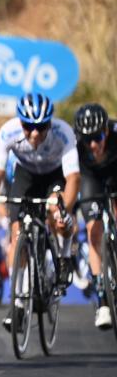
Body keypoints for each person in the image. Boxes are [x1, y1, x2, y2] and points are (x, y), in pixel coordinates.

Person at [0, 93, 79, 332]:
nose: (35, 133)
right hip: (26, 175)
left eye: (41, 126)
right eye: (29, 127)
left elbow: (73, 178)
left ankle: (63, 257)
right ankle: (17, 302)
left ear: (50, 123)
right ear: (21, 123)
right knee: (16, 234)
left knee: (56, 212)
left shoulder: (64, 133)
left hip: (55, 175)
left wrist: (65, 211)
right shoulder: (8, 132)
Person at [73, 103, 117, 330]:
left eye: (98, 137)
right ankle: (102, 301)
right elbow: (67, 176)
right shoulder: (74, 144)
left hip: (114, 174)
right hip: (91, 180)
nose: (92, 145)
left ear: (107, 131)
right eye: (87, 139)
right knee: (94, 231)